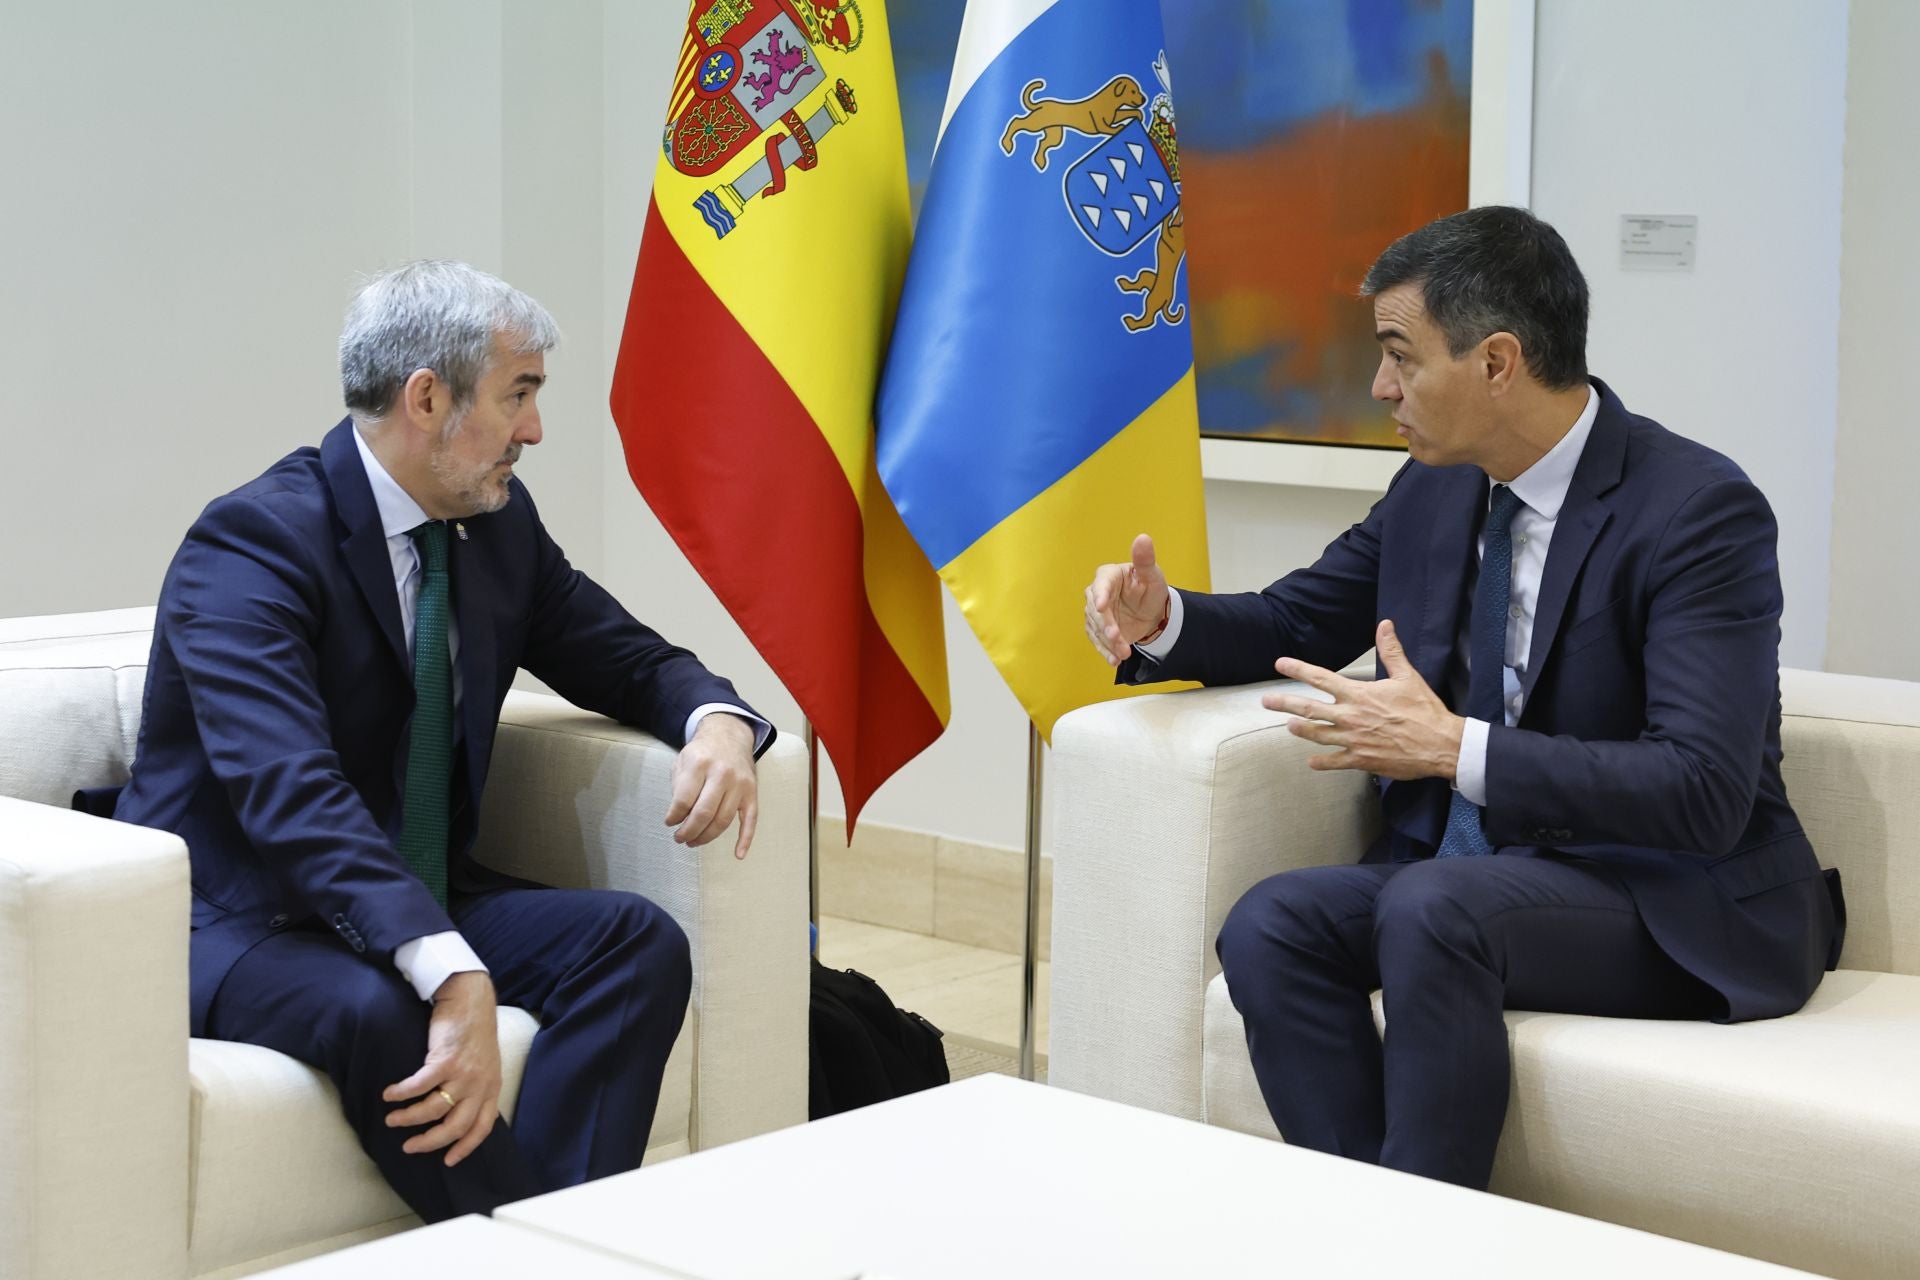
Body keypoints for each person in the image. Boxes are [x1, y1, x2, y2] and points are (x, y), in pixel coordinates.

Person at [1082, 207, 1843, 1191]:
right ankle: (1381, 1229)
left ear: (1496, 362)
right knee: (1272, 922)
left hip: (1659, 889)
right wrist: (1161, 621)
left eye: (1400, 355)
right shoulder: (1435, 488)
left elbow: (1704, 789)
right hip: (1472, 877)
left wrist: (1456, 748)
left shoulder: (1697, 511)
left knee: (1435, 905)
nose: (1380, 387)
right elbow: (1296, 619)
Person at [116, 261, 773, 1220]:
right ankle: (551, 1254)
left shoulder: (493, 529)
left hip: (414, 889)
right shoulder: (252, 542)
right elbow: (289, 791)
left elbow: (624, 657)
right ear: (428, 398)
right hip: (248, 913)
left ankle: (551, 1235)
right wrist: (449, 965)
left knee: (635, 944)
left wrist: (716, 719)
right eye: (519, 395)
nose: (536, 431)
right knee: (377, 1009)